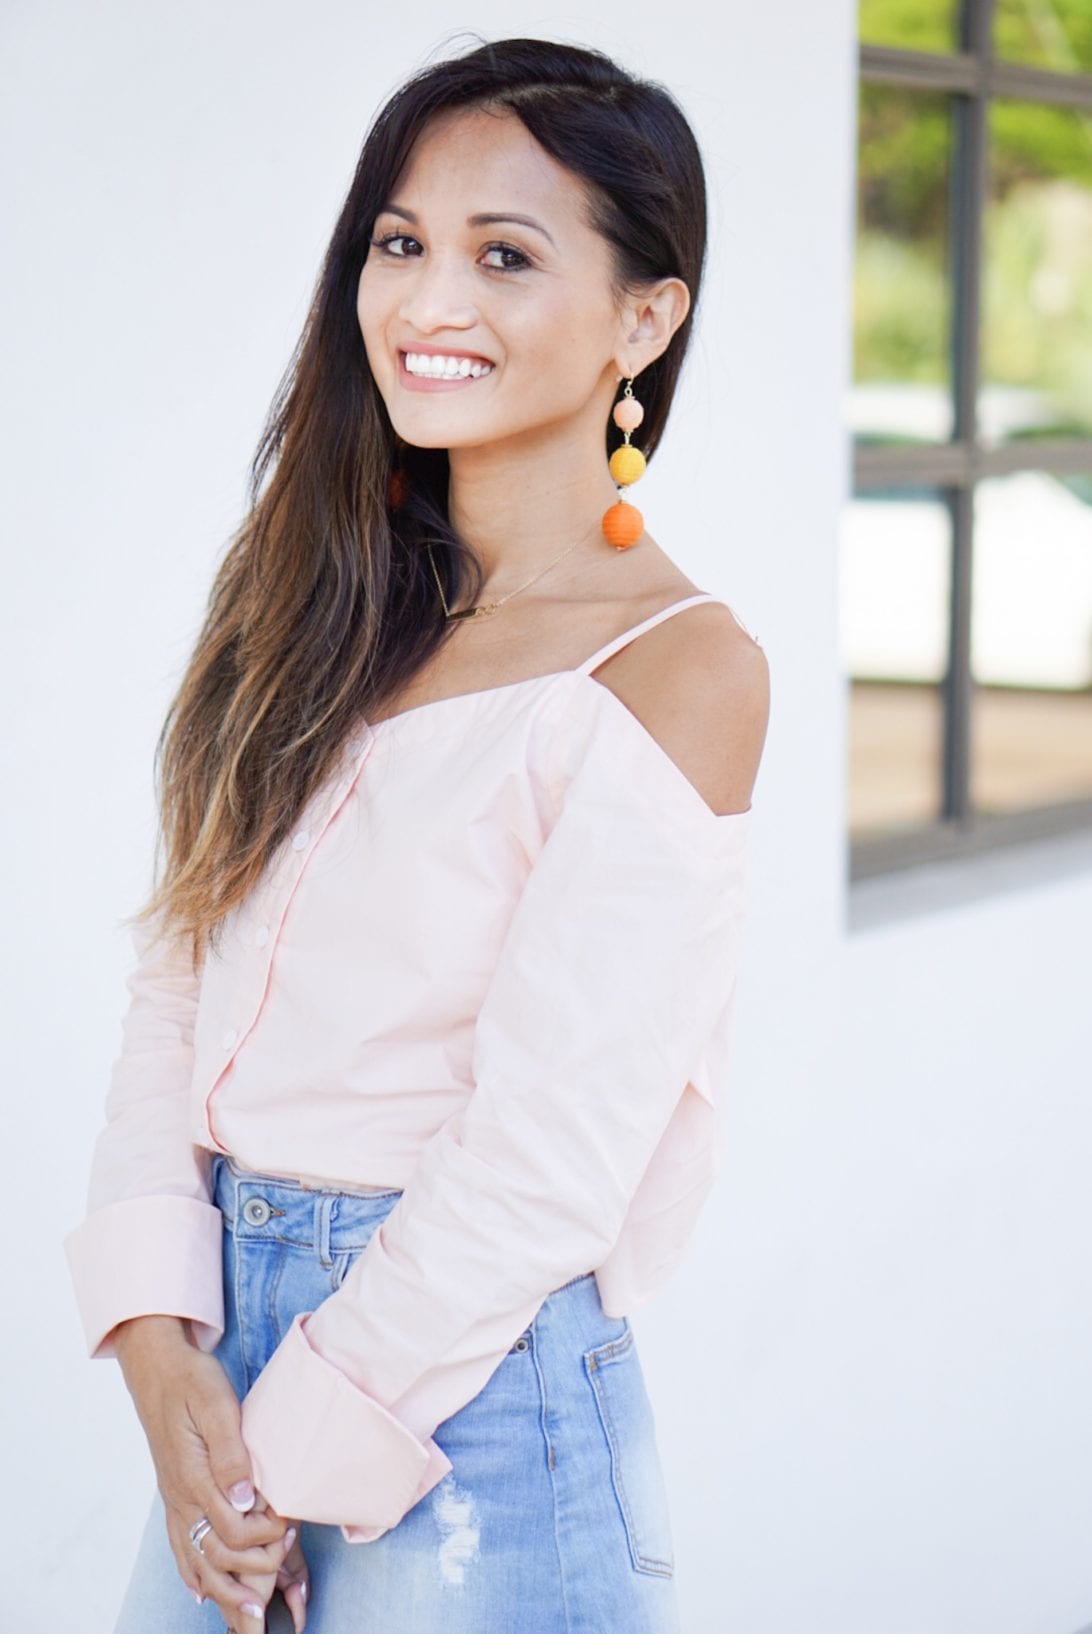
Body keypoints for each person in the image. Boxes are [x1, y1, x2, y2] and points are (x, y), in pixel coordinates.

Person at [64, 33, 769, 1634]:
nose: (428, 299)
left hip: (474, 1410)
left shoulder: (675, 667)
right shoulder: (310, 598)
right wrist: (161, 1343)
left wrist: (282, 1447)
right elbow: (177, 971)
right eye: (401, 243)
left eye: (504, 255)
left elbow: (549, 1152)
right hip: (230, 1363)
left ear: (645, 318)